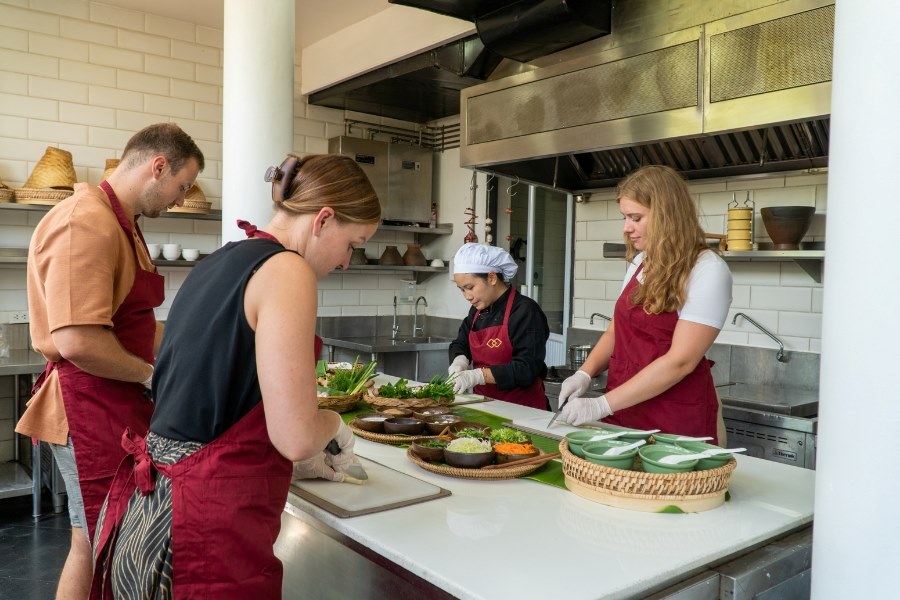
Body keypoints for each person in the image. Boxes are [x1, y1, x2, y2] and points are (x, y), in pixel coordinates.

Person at [91, 153, 381, 598]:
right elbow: (298, 436)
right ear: (323, 219)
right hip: (197, 532)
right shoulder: (289, 270)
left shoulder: (221, 261)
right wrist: (334, 427)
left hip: (149, 514)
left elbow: (225, 396)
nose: (346, 262)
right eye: (353, 243)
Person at [15, 123, 204, 599]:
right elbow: (78, 340)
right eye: (182, 185)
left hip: (112, 404)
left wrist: (200, 345)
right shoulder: (86, 221)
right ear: (157, 166)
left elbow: (131, 326)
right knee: (97, 538)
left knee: (103, 535)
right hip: (86, 405)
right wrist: (152, 376)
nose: (180, 198)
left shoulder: (123, 226)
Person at [556, 165, 732, 443]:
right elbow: (616, 332)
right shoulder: (641, 263)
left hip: (675, 422)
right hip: (624, 412)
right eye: (625, 217)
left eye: (635, 218)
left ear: (667, 216)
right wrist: (584, 374)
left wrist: (600, 405)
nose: (627, 228)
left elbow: (681, 362)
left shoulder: (707, 269)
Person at [448, 243, 550, 410]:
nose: (467, 296)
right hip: (483, 407)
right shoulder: (476, 311)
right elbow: (460, 343)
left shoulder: (525, 311)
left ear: (492, 277)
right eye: (462, 290)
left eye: (470, 287)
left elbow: (526, 368)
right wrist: (459, 361)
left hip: (523, 412)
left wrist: (477, 375)